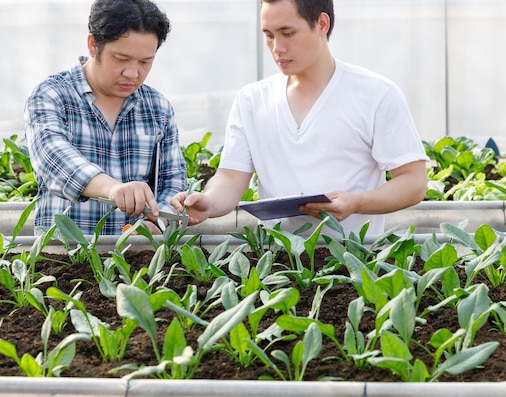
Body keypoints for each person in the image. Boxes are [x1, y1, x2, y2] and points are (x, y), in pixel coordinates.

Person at [171, 0, 428, 238]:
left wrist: (356, 202)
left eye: (288, 33)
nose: (277, 48)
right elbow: (230, 177)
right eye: (269, 35)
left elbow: (413, 182)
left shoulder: (375, 94)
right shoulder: (252, 99)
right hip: (277, 265)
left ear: (322, 24)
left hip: (356, 262)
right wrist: (210, 202)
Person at [25, 0, 187, 235]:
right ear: (93, 44)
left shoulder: (157, 107)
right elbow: (53, 158)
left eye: (145, 62)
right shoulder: (52, 95)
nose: (132, 73)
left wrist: (156, 224)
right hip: (64, 260)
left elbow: (173, 180)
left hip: (137, 261)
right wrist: (112, 189)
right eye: (121, 59)